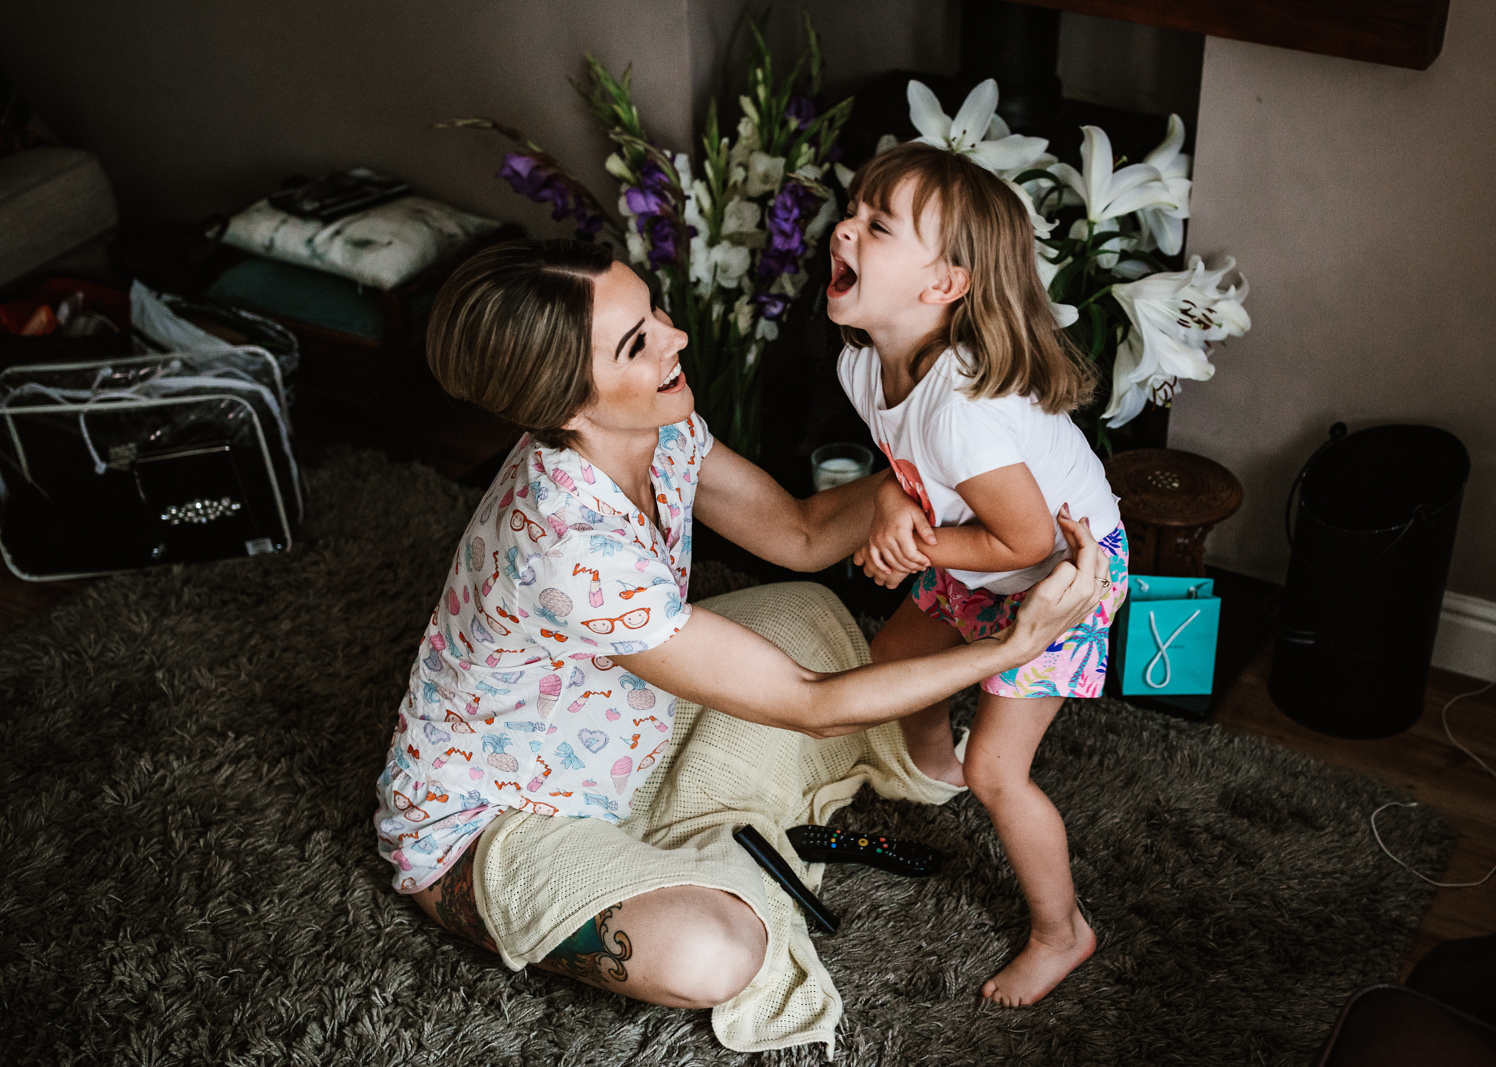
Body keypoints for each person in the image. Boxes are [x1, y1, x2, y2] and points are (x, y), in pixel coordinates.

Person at [373, 238, 1113, 1018]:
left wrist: (901, 490)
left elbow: (797, 532)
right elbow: (808, 700)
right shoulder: (565, 546)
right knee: (717, 950)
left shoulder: (649, 428)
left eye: (654, 310)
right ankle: (639, 865)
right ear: (566, 406)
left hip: (614, 722)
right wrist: (1015, 645)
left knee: (810, 612)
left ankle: (684, 828)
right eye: (639, 342)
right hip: (490, 821)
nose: (677, 337)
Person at [824, 142, 1130, 1007]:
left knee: (1003, 771)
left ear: (944, 286)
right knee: (897, 662)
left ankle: (1061, 931)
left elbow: (1027, 535)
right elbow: (911, 467)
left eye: (878, 226)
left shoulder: (965, 410)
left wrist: (913, 544)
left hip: (1060, 569)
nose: (846, 226)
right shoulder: (861, 362)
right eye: (855, 209)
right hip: (980, 546)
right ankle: (936, 773)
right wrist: (893, 508)